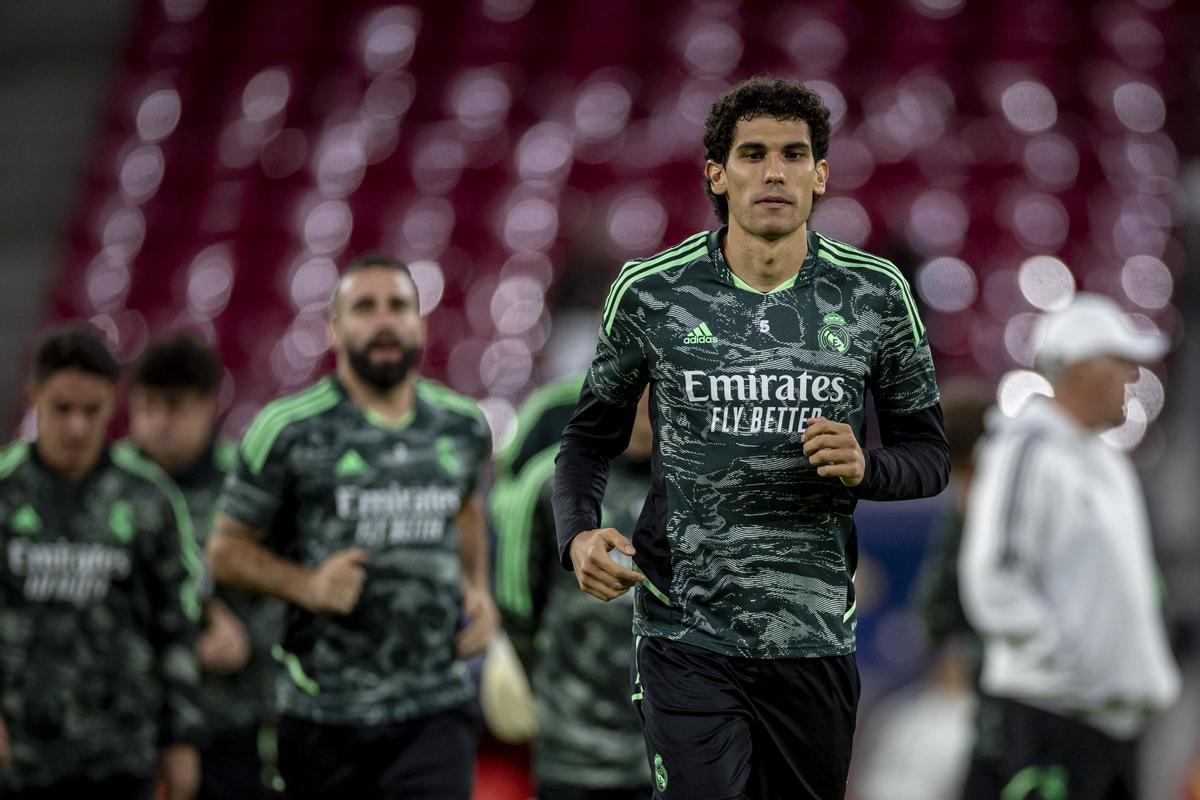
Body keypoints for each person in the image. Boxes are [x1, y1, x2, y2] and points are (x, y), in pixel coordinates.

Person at [553, 75, 950, 799]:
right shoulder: (652, 291)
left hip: (815, 639)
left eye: (795, 154)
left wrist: (866, 467)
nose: (775, 171)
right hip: (686, 636)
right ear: (717, 174)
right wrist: (577, 534)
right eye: (754, 154)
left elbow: (929, 459)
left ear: (820, 174)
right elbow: (586, 443)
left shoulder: (875, 294)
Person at [207, 253, 498, 800]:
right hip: (325, 714)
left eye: (398, 306)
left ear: (420, 323)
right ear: (335, 330)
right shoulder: (287, 430)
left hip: (435, 708)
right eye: (364, 307)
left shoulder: (461, 426)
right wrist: (307, 586)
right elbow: (224, 551)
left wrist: (476, 588)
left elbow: (466, 509)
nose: (383, 321)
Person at [958, 293, 1180, 799]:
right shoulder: (1027, 449)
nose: (1131, 378)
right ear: (1083, 369)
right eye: (1122, 362)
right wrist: (1069, 663)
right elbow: (994, 579)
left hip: (1111, 727)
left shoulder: (1107, 461)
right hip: (1052, 724)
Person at [0, 324, 205, 799]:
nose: (76, 426)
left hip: (119, 754)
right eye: (62, 408)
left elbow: (175, 624)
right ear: (33, 397)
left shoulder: (149, 497)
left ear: (114, 402)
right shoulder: (5, 491)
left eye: (91, 410)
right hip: (18, 758)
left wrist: (182, 740)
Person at [122, 333, 280, 800]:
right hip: (128, 724)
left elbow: (289, 588)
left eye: (174, 406)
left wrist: (249, 639)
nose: (157, 421)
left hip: (227, 721)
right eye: (146, 405)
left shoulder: (250, 490)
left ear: (208, 404)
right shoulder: (110, 486)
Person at [497, 389, 654, 800]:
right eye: (634, 391)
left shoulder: (701, 483)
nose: (644, 405)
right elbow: (516, 606)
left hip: (671, 748)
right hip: (573, 750)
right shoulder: (551, 482)